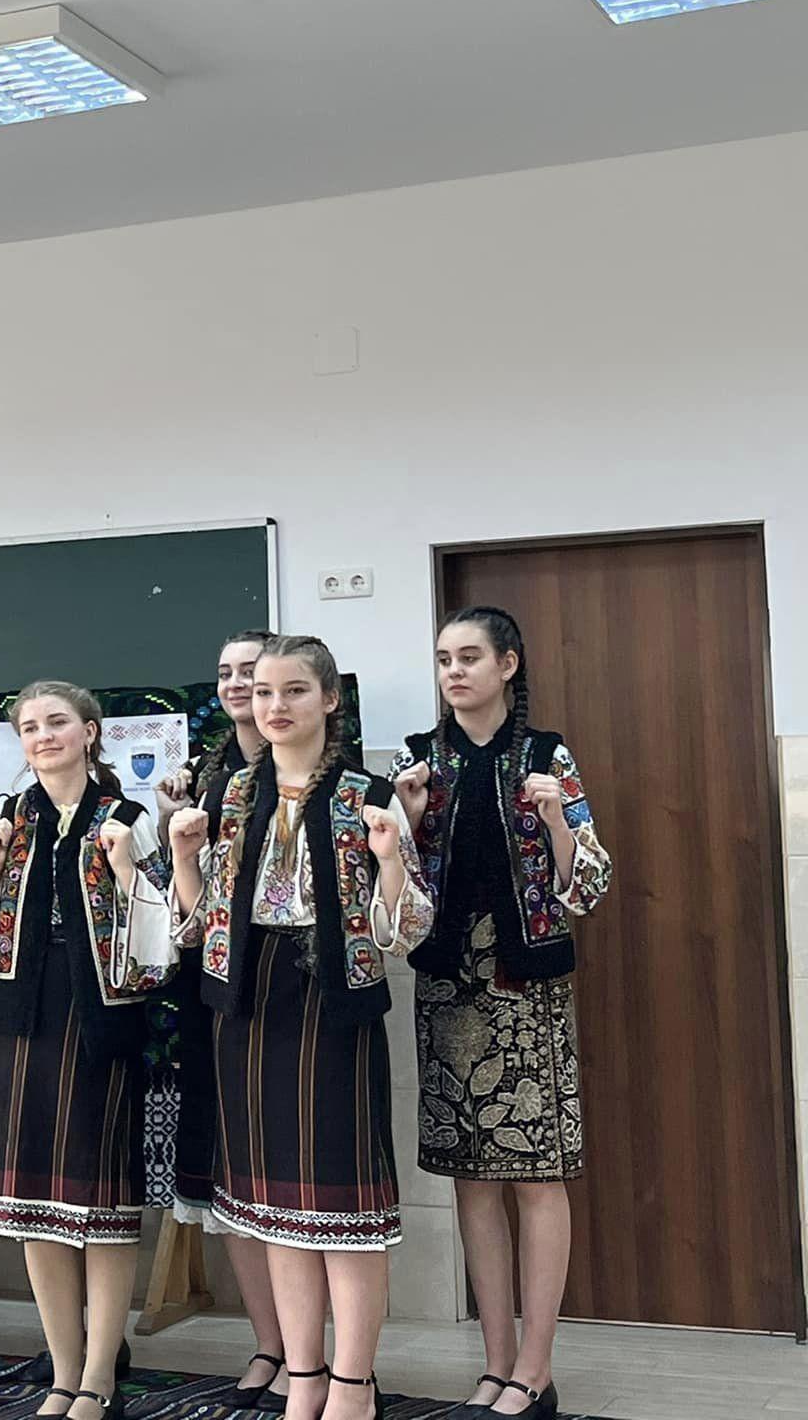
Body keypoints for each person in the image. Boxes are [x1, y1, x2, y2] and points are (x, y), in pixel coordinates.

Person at [168, 636, 432, 1420]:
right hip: (246, 1004)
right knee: (273, 1208)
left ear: (330, 699)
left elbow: (408, 929)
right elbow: (200, 925)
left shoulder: (364, 793)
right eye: (263, 691)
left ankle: (353, 1384)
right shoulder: (231, 793)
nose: (275, 705)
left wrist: (391, 860)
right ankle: (304, 1375)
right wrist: (184, 858)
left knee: (341, 1205)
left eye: (293, 690)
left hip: (332, 1004)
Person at [392, 608, 611, 1420]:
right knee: (473, 1179)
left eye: (469, 657)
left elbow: (589, 883)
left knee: (537, 1174)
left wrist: (556, 819)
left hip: (527, 987)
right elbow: (393, 895)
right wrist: (408, 820)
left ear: (508, 665)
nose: (454, 671)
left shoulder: (546, 755)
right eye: (443, 659)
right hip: (449, 986)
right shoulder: (419, 761)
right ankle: (494, 1366)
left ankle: (536, 1369)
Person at [0, 681, 175, 1419]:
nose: (43, 736)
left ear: (89, 732)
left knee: (101, 1200)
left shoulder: (127, 819)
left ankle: (101, 1373)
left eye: (57, 722)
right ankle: (63, 1368)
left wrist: (125, 870)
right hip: (19, 1020)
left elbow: (166, 938)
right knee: (32, 1204)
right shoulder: (7, 822)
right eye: (30, 727)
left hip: (98, 1020)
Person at [155, 630, 289, 1410]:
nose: (240, 686)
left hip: (297, 999)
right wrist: (174, 826)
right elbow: (187, 905)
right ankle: (270, 1345)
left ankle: (318, 1354)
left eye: (255, 674)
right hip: (216, 995)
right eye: (227, 674)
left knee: (298, 1176)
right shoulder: (205, 777)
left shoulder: (322, 775)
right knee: (230, 1173)